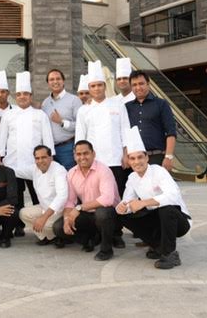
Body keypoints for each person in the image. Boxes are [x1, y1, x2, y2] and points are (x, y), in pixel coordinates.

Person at [116, 126, 191, 269]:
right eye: (132, 158)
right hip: (156, 221)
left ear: (147, 158)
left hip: (179, 222)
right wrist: (123, 207)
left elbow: (173, 195)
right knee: (123, 216)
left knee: (166, 209)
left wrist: (143, 202)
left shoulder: (159, 171)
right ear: (129, 161)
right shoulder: (132, 178)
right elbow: (127, 200)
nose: (137, 162)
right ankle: (158, 246)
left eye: (140, 157)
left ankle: (170, 254)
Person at [75, 60, 130, 248]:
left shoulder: (118, 105)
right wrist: (81, 161)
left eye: (99, 85)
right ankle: (98, 232)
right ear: (89, 88)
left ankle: (116, 233)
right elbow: (80, 138)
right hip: (94, 163)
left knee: (116, 198)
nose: (96, 89)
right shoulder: (84, 110)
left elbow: (125, 130)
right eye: (93, 86)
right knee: (93, 200)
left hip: (115, 160)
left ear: (105, 86)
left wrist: (126, 154)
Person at [0, 71, 54, 235]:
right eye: (19, 94)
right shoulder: (8, 115)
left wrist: (50, 159)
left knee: (39, 195)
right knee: (16, 197)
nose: (22, 97)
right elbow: (1, 139)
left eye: (25, 94)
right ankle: (18, 226)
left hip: (36, 164)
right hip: (12, 163)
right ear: (15, 96)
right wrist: (0, 158)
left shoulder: (40, 115)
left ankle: (43, 228)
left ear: (30, 96)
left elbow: (47, 139)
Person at [53, 140, 120, 261]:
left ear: (93, 154)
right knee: (58, 227)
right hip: (89, 214)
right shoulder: (71, 173)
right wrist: (67, 219)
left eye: (86, 153)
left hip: (111, 214)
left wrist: (79, 208)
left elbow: (107, 199)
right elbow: (70, 201)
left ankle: (106, 249)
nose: (82, 157)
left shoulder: (103, 170)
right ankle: (91, 239)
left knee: (102, 213)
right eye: (78, 154)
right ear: (74, 156)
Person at [126, 70, 177, 171]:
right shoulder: (127, 107)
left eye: (141, 83)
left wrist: (168, 156)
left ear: (148, 84)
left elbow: (171, 132)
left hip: (157, 157)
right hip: (135, 159)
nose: (138, 87)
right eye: (134, 85)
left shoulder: (161, 104)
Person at [18, 146, 68, 245]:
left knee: (47, 225)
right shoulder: (35, 168)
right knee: (23, 213)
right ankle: (47, 237)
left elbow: (62, 196)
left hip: (60, 211)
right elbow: (17, 171)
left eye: (44, 157)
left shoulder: (59, 170)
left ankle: (59, 235)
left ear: (51, 157)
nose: (40, 161)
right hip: (44, 208)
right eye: (37, 158)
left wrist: (44, 217)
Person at [41, 68, 82, 170]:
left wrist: (62, 122)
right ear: (48, 83)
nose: (55, 81)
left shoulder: (74, 100)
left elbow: (81, 125)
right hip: (50, 150)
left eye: (58, 78)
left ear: (63, 81)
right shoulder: (45, 103)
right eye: (52, 79)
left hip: (67, 148)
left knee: (69, 176)